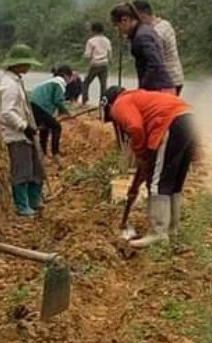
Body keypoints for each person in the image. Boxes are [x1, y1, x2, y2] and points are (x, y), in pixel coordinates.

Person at [104, 86, 196, 248]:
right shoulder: (141, 99)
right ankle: (172, 230)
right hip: (190, 119)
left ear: (108, 104)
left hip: (171, 123)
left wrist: (140, 153)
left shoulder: (119, 103)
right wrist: (139, 175)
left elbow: (135, 127)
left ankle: (158, 233)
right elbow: (147, 160)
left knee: (157, 183)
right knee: (173, 183)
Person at [0, 45, 45, 218]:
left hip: (24, 134)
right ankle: (22, 206)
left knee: (35, 169)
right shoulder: (9, 85)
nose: (29, 67)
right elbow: (7, 113)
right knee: (22, 171)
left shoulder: (16, 81)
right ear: (18, 64)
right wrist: (24, 126)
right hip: (16, 135)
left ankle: (33, 201)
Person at [110, 3, 173, 92]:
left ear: (125, 20)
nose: (118, 30)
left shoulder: (142, 36)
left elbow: (154, 63)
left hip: (158, 88)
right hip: (159, 86)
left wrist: (143, 87)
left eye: (117, 26)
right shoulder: (144, 30)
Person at [134, 1, 184, 94]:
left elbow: (155, 60)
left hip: (166, 81)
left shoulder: (156, 32)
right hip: (176, 76)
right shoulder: (165, 24)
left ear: (142, 16)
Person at [30, 67, 78, 161]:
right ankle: (55, 153)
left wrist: (59, 112)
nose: (70, 80)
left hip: (34, 104)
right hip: (40, 106)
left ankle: (43, 152)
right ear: (66, 76)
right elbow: (58, 101)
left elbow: (53, 99)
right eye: (70, 77)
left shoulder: (52, 81)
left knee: (45, 127)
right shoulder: (60, 83)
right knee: (57, 127)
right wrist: (67, 113)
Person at [82, 22, 112, 104]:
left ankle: (85, 100)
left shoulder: (91, 41)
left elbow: (87, 55)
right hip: (104, 64)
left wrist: (86, 60)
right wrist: (109, 61)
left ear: (93, 30)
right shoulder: (107, 40)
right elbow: (110, 53)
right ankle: (103, 102)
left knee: (86, 83)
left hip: (95, 64)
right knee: (103, 85)